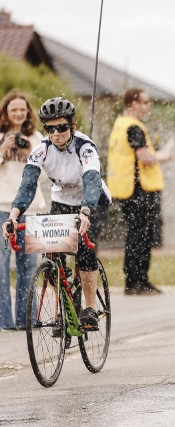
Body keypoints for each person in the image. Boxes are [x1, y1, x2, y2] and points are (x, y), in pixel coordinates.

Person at [2, 97, 112, 330]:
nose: (56, 133)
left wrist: (85, 211)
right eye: (50, 129)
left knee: (84, 250)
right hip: (62, 200)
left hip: (92, 201)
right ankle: (66, 309)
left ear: (72, 126)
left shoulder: (86, 147)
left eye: (61, 127)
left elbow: (92, 181)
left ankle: (90, 308)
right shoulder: (41, 150)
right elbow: (28, 185)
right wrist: (13, 215)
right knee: (53, 254)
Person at [107, 88, 171, 296]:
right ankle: (139, 281)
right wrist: (163, 155)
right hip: (139, 189)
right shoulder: (134, 127)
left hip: (125, 188)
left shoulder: (119, 124)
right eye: (144, 102)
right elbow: (146, 158)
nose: (148, 106)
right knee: (141, 236)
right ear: (133, 103)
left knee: (134, 235)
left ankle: (133, 280)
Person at [0, 91, 46, 331]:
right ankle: (4, 321)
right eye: (13, 109)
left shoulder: (36, 138)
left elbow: (47, 174)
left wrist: (30, 152)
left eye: (22, 109)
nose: (18, 113)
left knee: (29, 266)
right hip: (2, 208)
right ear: (5, 113)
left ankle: (27, 318)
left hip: (30, 209)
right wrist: (2, 149)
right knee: (1, 265)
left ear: (28, 112)